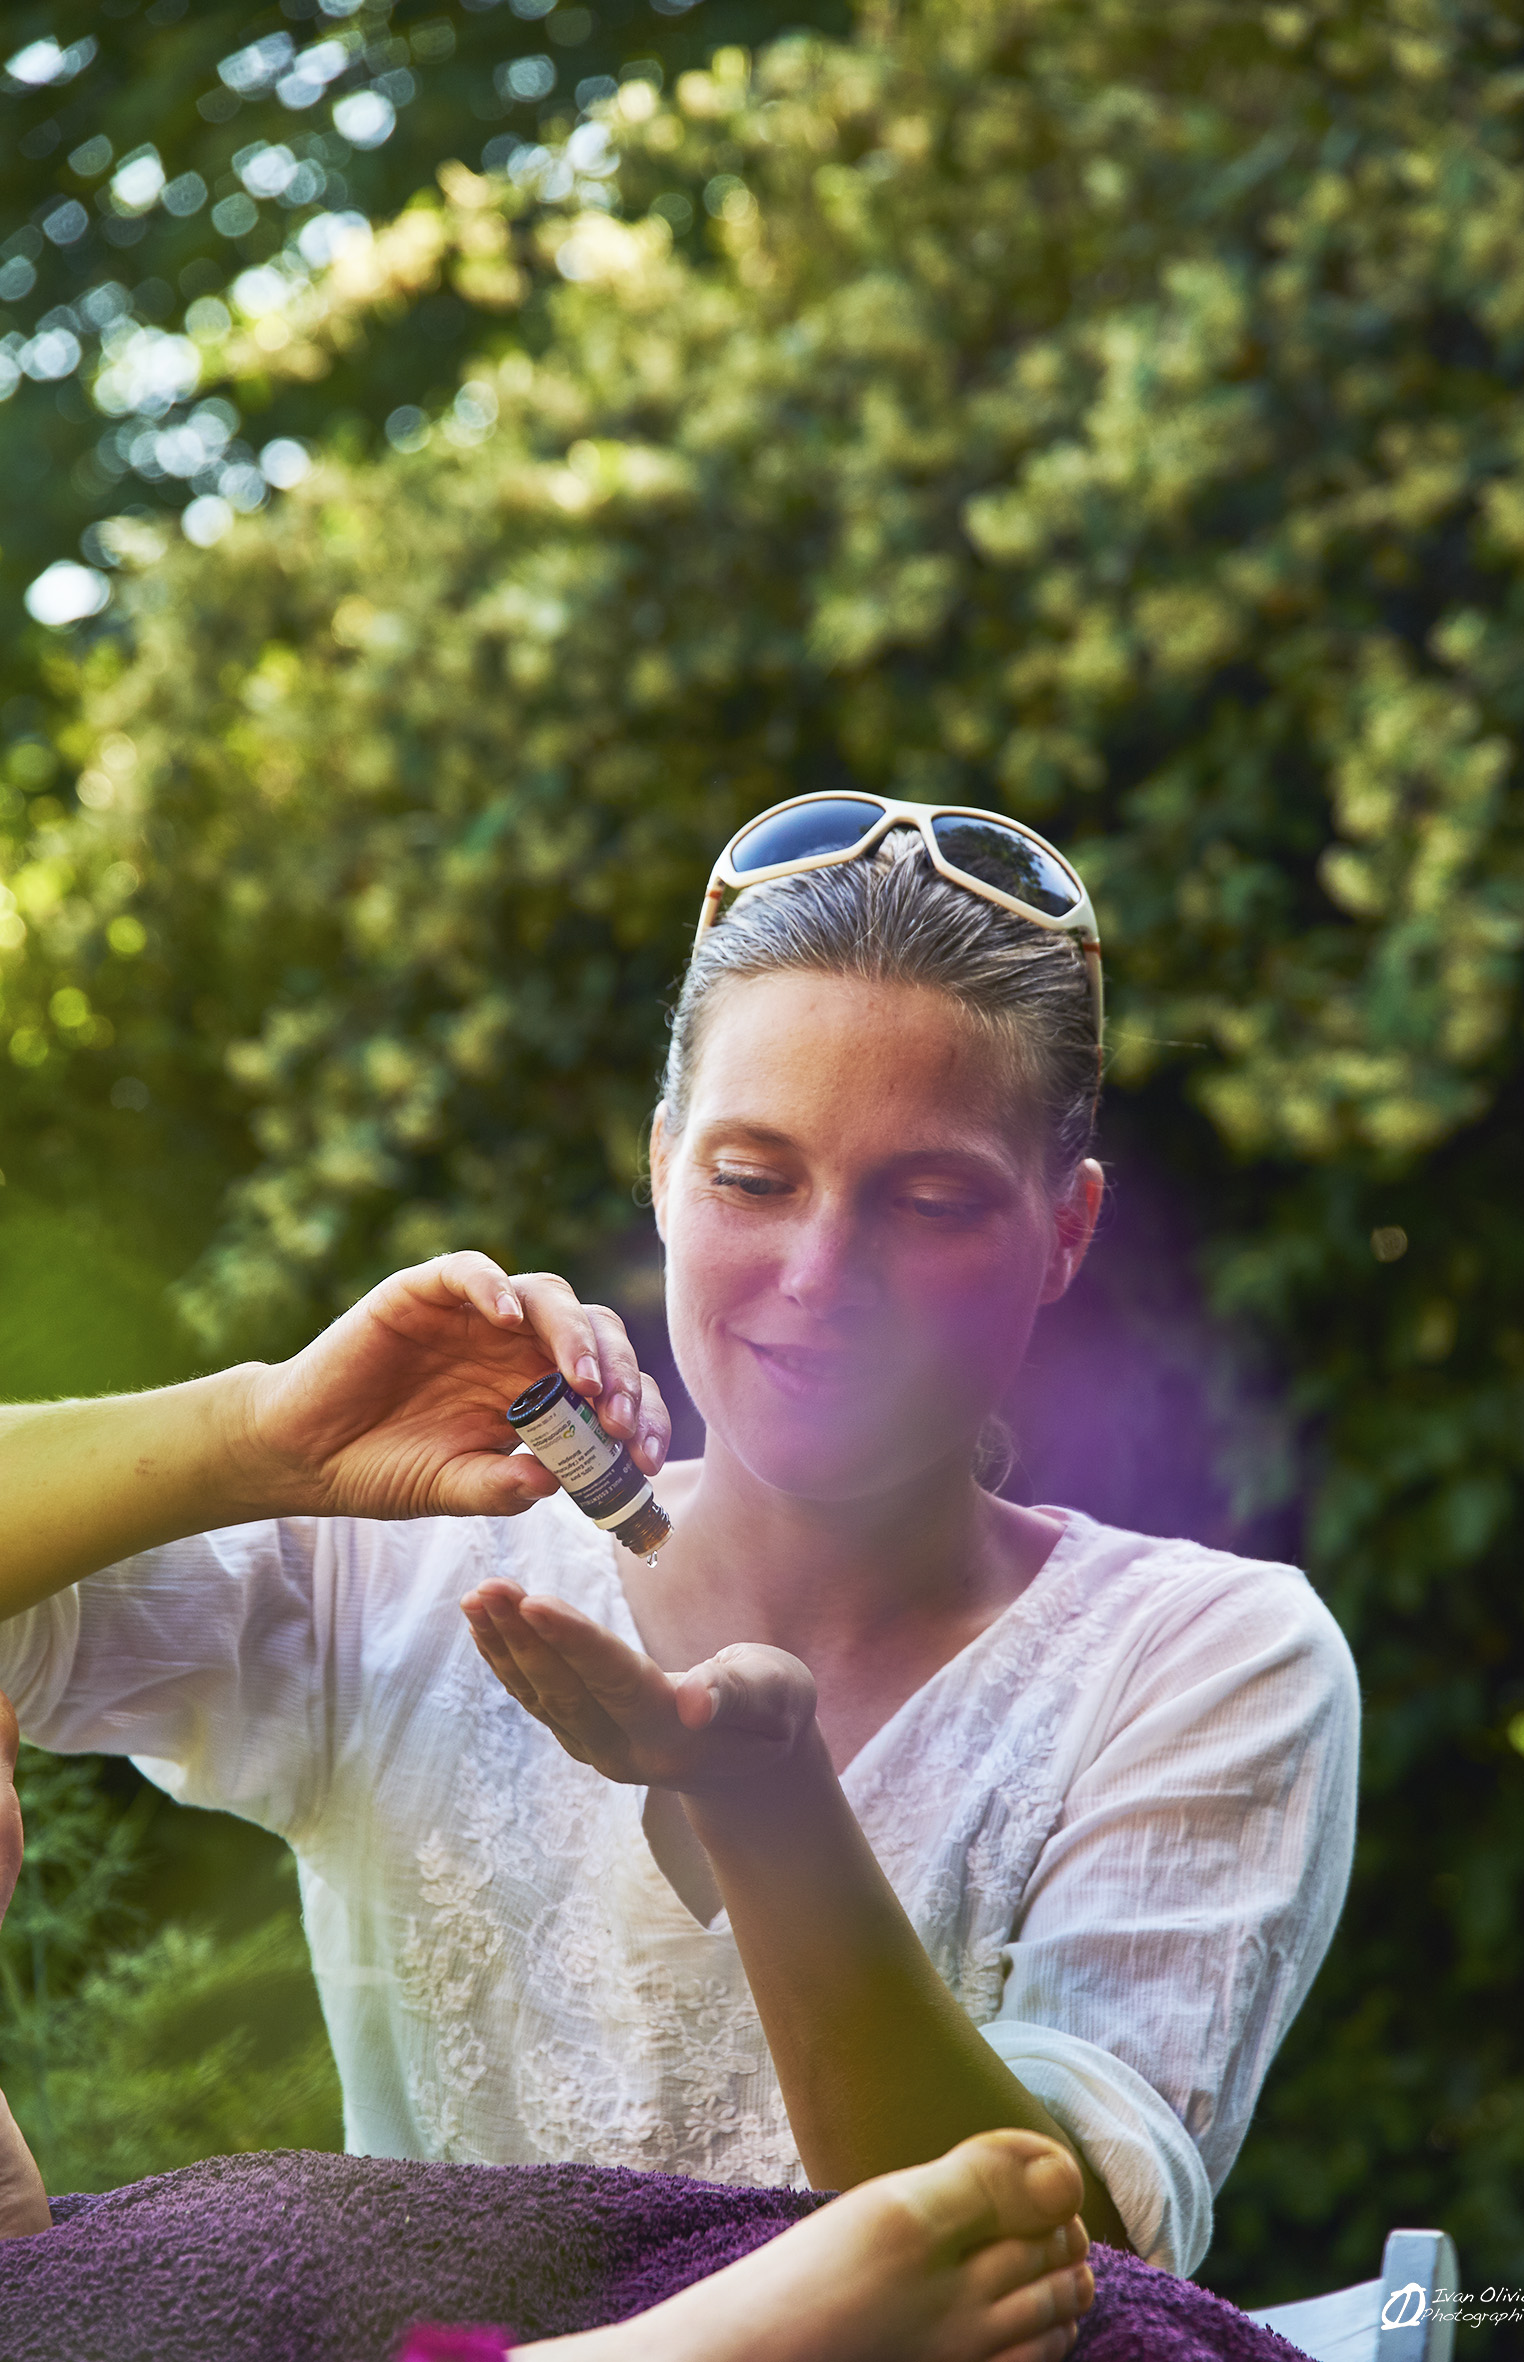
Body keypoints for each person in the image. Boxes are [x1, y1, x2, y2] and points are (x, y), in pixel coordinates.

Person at [0, 800, 1359, 2290]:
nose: (820, 1273)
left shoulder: (1198, 1657)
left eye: (931, 1197)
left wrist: (763, 1798)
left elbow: (1054, 2267)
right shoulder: (398, 1575)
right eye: (752, 1177)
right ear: (661, 1167)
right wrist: (258, 1436)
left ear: (1063, 1230)